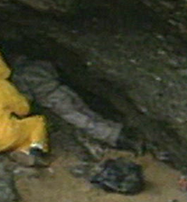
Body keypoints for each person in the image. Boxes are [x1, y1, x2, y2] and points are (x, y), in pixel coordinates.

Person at [11, 55, 141, 153]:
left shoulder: (20, 75)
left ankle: (117, 138)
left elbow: (27, 96)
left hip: (53, 99)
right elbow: (55, 72)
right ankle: (120, 130)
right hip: (63, 90)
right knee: (89, 112)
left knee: (84, 121)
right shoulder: (38, 63)